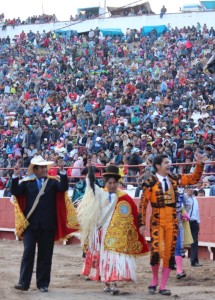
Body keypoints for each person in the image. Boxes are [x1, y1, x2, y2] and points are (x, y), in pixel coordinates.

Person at [139, 153, 206, 296]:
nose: (169, 165)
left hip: (172, 221)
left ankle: (163, 286)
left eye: (169, 162)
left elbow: (193, 178)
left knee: (169, 254)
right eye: (166, 163)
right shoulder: (149, 182)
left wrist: (199, 165)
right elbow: (143, 205)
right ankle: (154, 280)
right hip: (157, 221)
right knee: (156, 252)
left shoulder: (174, 179)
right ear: (158, 166)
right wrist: (141, 223)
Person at [77, 165, 149, 295]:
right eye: (109, 182)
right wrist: (90, 174)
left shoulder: (125, 197)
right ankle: (106, 283)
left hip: (116, 235)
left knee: (114, 259)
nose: (112, 185)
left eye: (114, 182)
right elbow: (90, 186)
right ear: (105, 183)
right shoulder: (100, 194)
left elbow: (134, 213)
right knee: (104, 258)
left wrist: (141, 224)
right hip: (102, 233)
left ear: (118, 183)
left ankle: (113, 282)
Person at [11, 155, 78, 292]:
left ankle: (43, 284)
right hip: (30, 225)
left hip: (48, 225)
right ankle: (23, 283)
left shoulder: (53, 182)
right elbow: (15, 192)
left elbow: (63, 188)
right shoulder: (26, 183)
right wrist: (15, 176)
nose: (44, 169)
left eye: (45, 167)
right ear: (34, 169)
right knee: (28, 253)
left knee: (45, 255)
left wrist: (62, 171)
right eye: (41, 167)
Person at [184, 186, 202, 267]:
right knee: (180, 242)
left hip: (194, 222)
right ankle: (174, 261)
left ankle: (194, 261)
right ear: (186, 189)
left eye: (192, 188)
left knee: (194, 242)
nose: (191, 189)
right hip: (185, 222)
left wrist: (198, 223)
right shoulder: (183, 198)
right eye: (189, 188)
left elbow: (197, 211)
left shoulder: (195, 199)